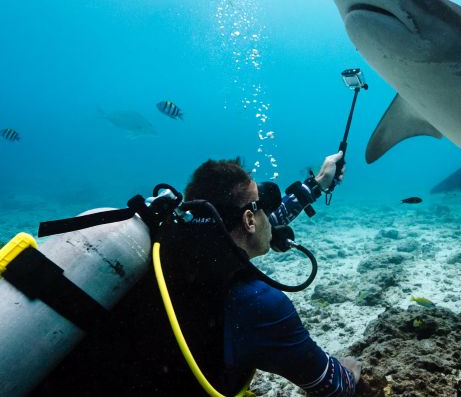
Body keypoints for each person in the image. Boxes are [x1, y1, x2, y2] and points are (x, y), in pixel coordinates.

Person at [34, 151, 361, 397]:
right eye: (261, 206)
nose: (269, 215)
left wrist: (318, 183)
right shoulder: (257, 303)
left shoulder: (167, 235)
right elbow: (334, 386)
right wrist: (354, 366)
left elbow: (262, 223)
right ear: (248, 220)